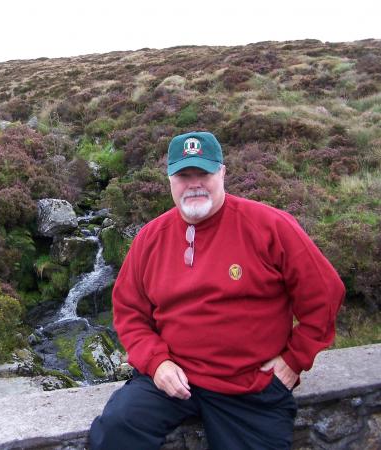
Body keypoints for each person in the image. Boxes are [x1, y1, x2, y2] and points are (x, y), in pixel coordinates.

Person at [89, 131, 345, 450]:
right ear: (170, 179)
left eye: (204, 173)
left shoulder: (270, 226)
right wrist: (156, 363)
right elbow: (129, 312)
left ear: (222, 173)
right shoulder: (150, 238)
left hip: (250, 389)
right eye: (184, 175)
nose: (194, 183)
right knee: (114, 431)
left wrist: (295, 359)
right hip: (172, 381)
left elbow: (325, 292)